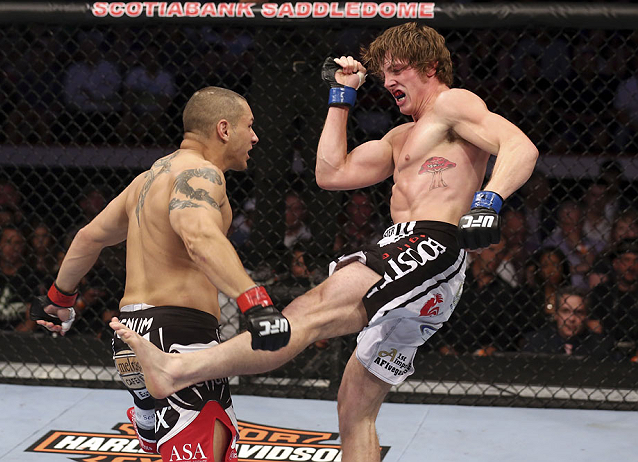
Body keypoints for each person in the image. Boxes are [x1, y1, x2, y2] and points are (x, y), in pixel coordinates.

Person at [109, 23, 538, 462]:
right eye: (383, 73)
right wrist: (342, 96)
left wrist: (489, 200)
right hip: (422, 273)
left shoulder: (453, 103)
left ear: (430, 67)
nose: (387, 81)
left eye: (397, 70)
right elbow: (331, 174)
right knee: (355, 405)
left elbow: (519, 145)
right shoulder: (400, 138)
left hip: (430, 243)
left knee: (307, 313)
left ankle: (177, 368)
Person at [32, 86, 289, 462]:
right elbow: (198, 237)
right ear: (223, 129)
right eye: (249, 126)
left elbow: (88, 238)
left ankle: (147, 411)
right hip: (181, 337)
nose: (255, 137)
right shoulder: (202, 173)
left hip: (130, 338)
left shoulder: (146, 180)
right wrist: (256, 303)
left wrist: (59, 299)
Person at [522, 286, 613, 358]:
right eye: (565, 311)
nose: (572, 318)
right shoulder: (535, 343)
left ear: (586, 316)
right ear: (556, 314)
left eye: (578, 312)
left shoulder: (601, 346)